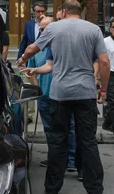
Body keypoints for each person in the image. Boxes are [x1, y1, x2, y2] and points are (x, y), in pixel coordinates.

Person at [18, 0, 110, 194]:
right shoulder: (94, 30)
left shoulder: (54, 29)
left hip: (60, 93)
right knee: (87, 141)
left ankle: (52, 188)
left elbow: (32, 48)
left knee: (58, 140)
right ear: (80, 11)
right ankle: (94, 190)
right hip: (85, 92)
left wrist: (23, 59)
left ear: (65, 12)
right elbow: (103, 61)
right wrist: (103, 88)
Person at [25, 16, 77, 173]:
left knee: (70, 127)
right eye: (40, 29)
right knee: (49, 129)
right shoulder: (36, 48)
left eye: (45, 29)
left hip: (63, 96)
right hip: (45, 96)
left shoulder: (62, 46)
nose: (42, 32)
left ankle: (71, 159)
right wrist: (37, 89)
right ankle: (54, 157)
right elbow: (31, 70)